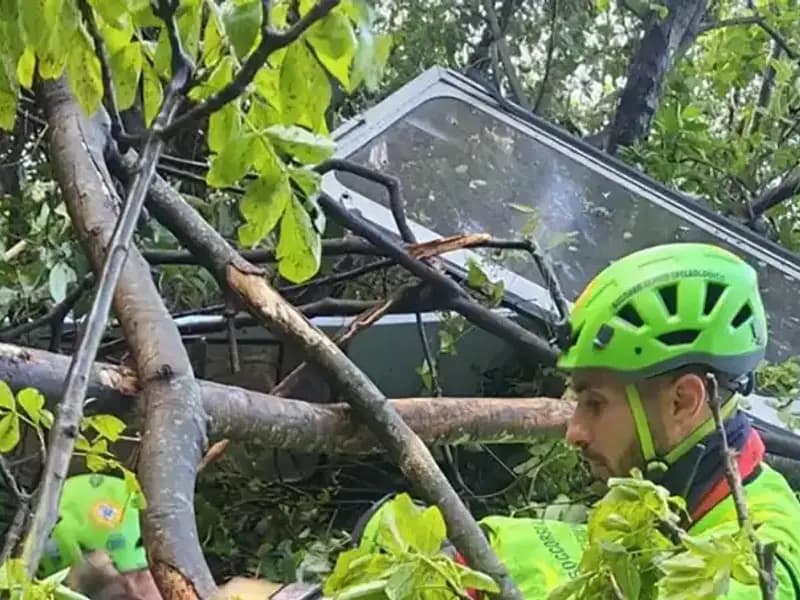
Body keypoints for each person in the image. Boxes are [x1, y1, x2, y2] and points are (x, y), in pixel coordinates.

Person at [42, 243, 800, 598]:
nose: (572, 428)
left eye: (595, 403)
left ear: (684, 401)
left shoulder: (756, 558)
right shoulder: (658, 512)